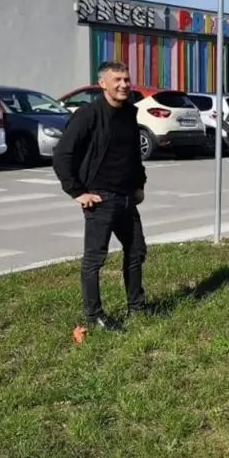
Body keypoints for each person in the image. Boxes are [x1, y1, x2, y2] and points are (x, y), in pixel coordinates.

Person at [52, 61, 148, 331]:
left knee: (136, 251)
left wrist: (139, 184)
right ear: (102, 83)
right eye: (117, 79)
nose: (124, 85)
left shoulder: (130, 113)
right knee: (95, 259)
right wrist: (77, 191)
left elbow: (133, 155)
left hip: (127, 196)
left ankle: (137, 307)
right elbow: (62, 155)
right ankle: (94, 316)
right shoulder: (89, 114)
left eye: (126, 79)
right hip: (100, 197)